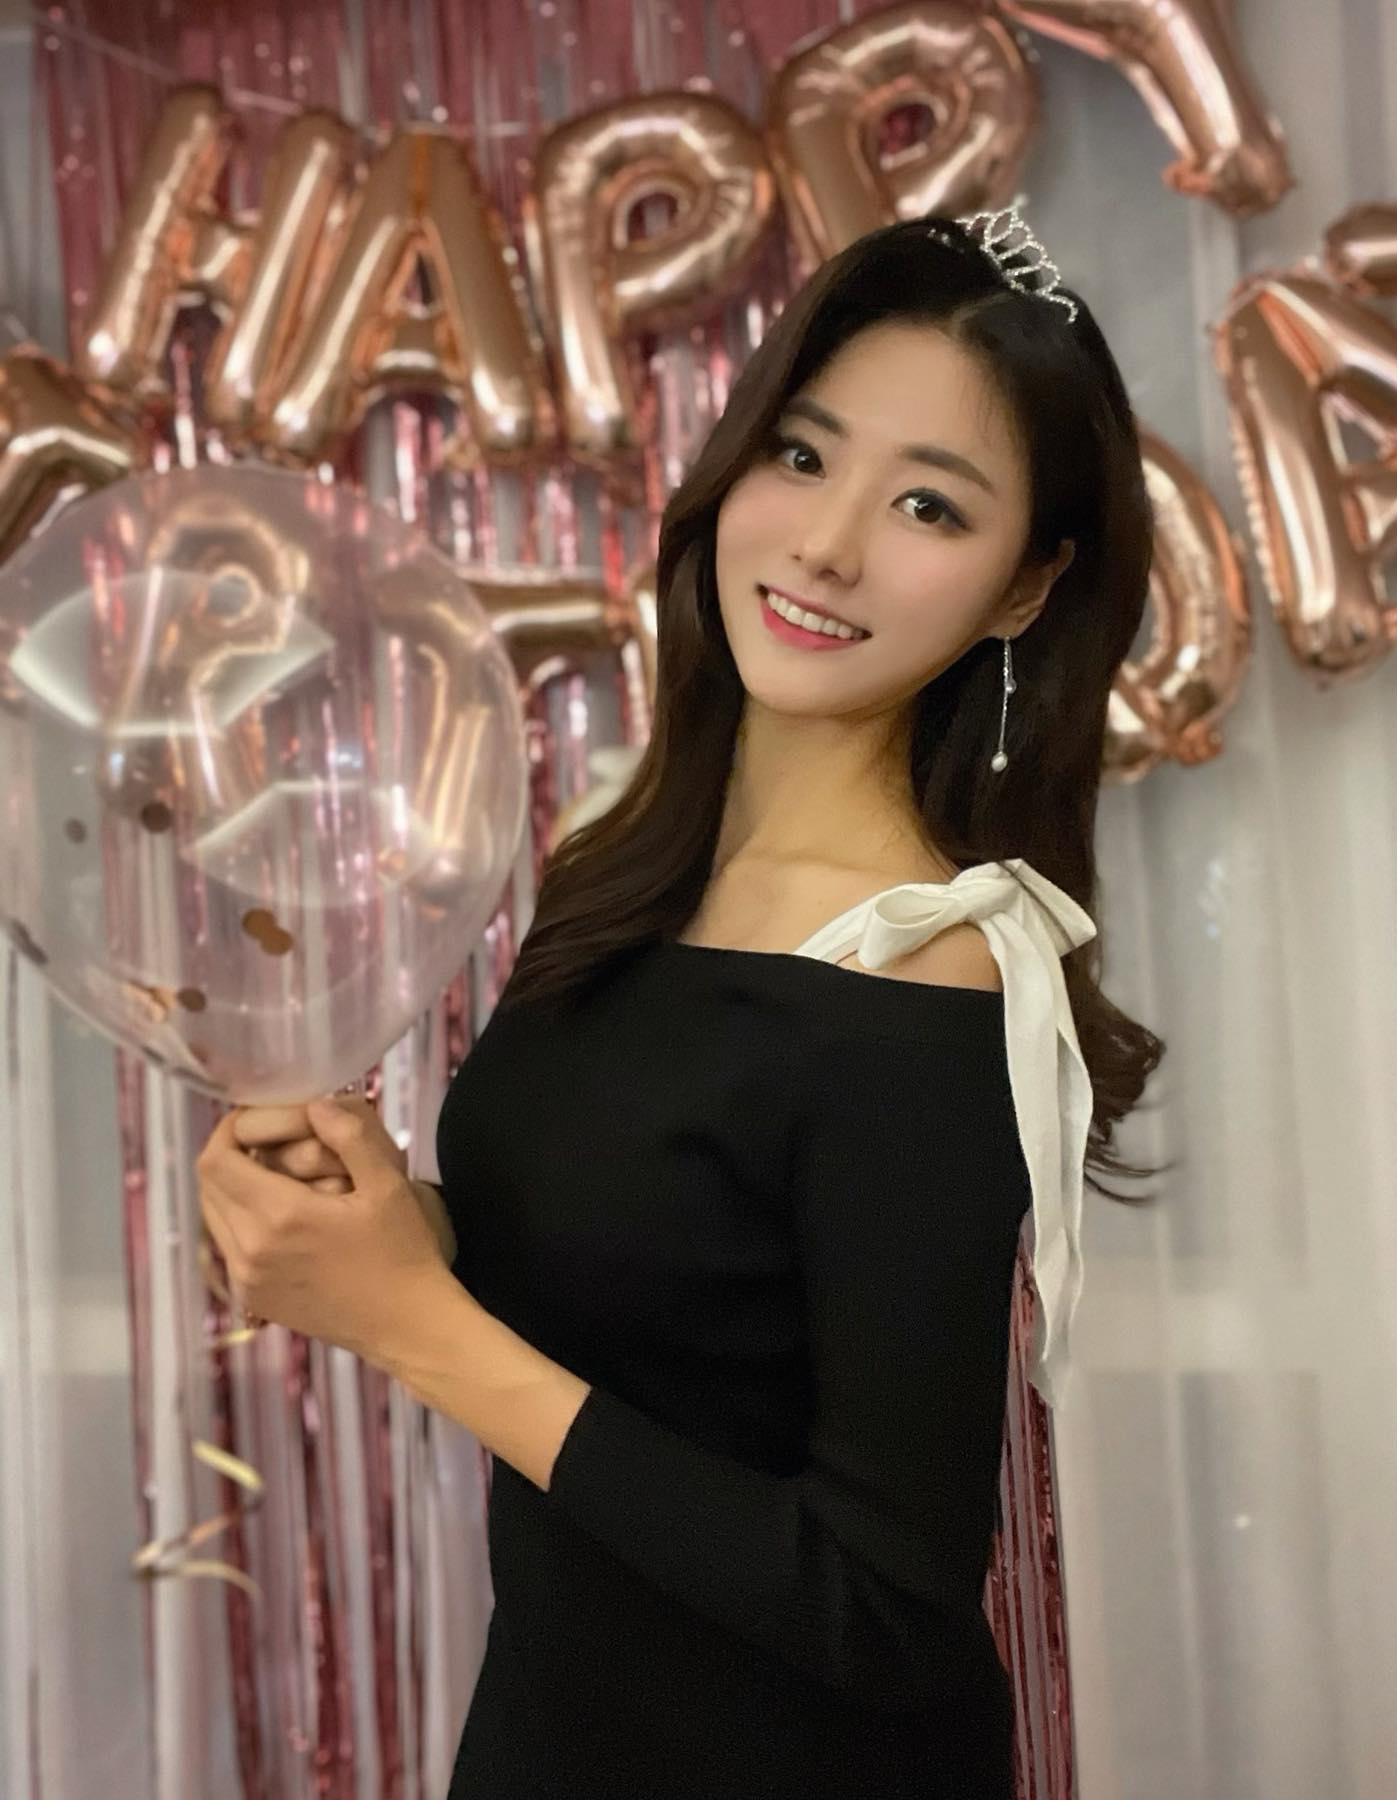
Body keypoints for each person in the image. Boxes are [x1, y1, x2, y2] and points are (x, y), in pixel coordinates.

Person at [217, 209, 1169, 1798]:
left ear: (1025, 588)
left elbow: (882, 1605)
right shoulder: (627, 865)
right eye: (803, 456)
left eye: (929, 504)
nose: (828, 544)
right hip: (550, 1741)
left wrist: (408, 1322)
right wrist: (383, 1227)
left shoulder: (929, 968)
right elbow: (643, 1303)